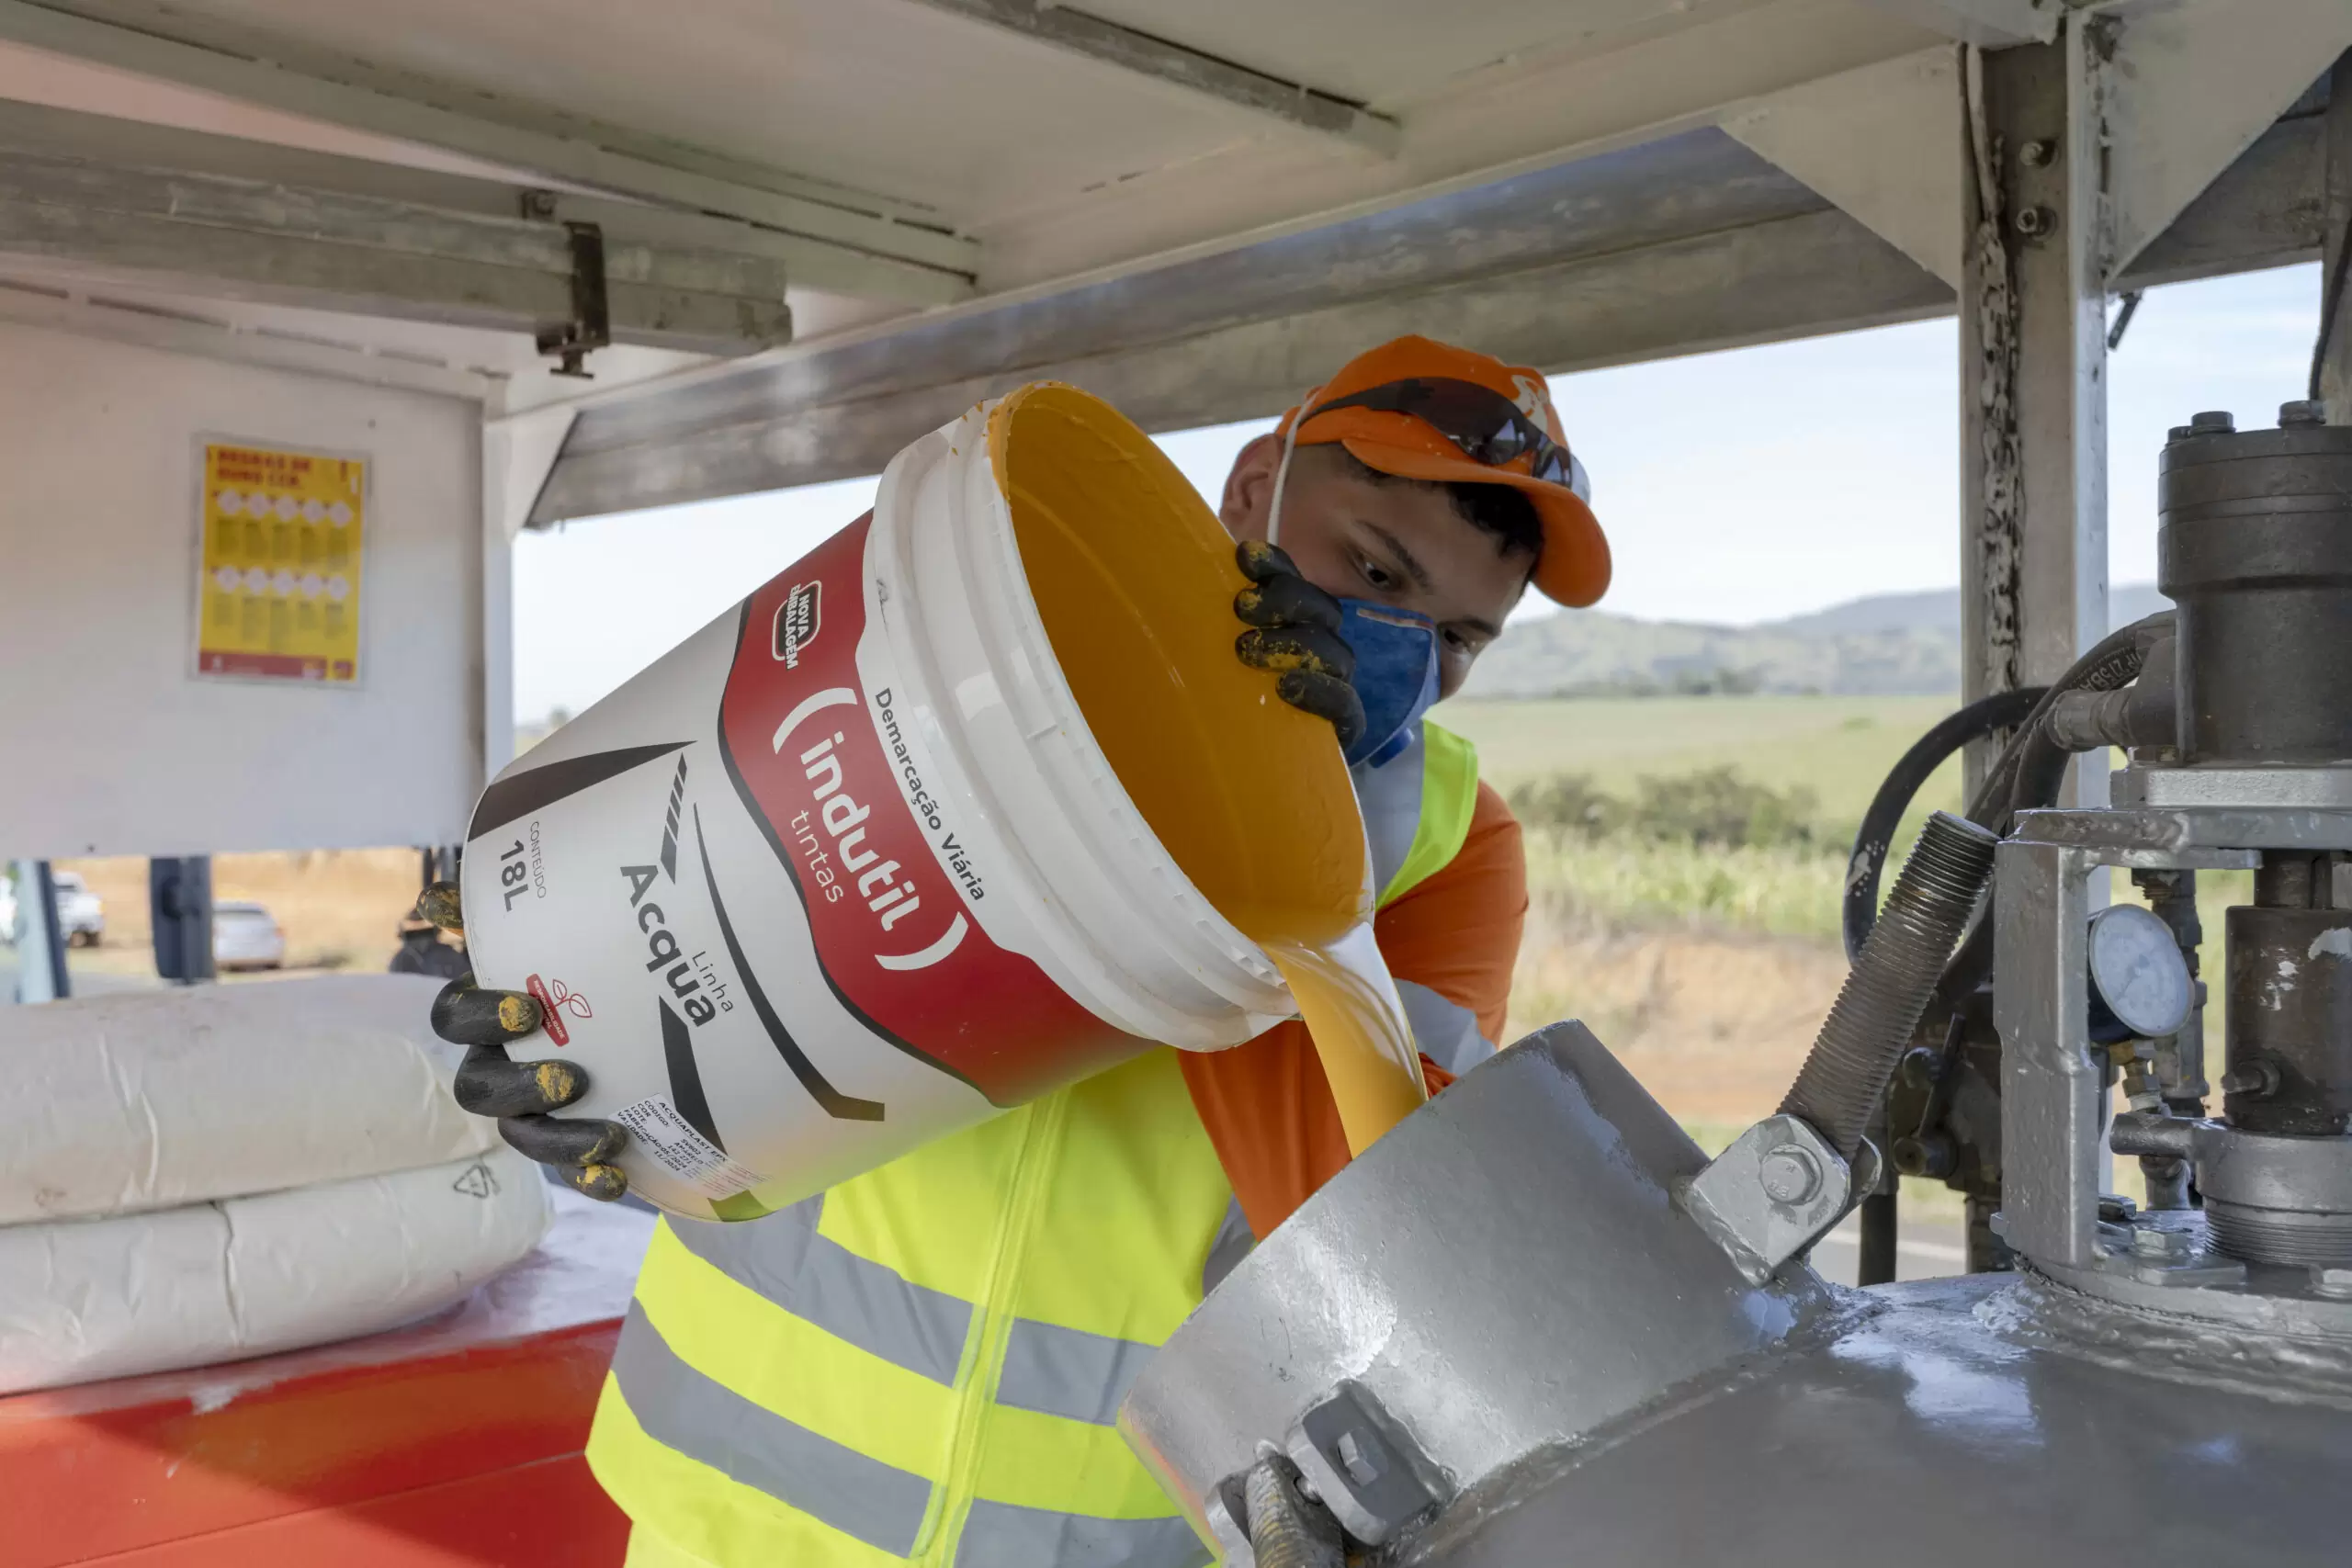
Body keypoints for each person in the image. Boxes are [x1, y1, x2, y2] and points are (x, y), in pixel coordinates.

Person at [422, 334, 1610, 1568]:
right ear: (1258, 484)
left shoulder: (1445, 851)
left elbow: (1361, 1209)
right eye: (1370, 565)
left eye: (1459, 638)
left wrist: (1287, 828)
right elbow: (698, 923)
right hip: (735, 1514)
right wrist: (566, 1053)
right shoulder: (988, 645)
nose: (1404, 650)